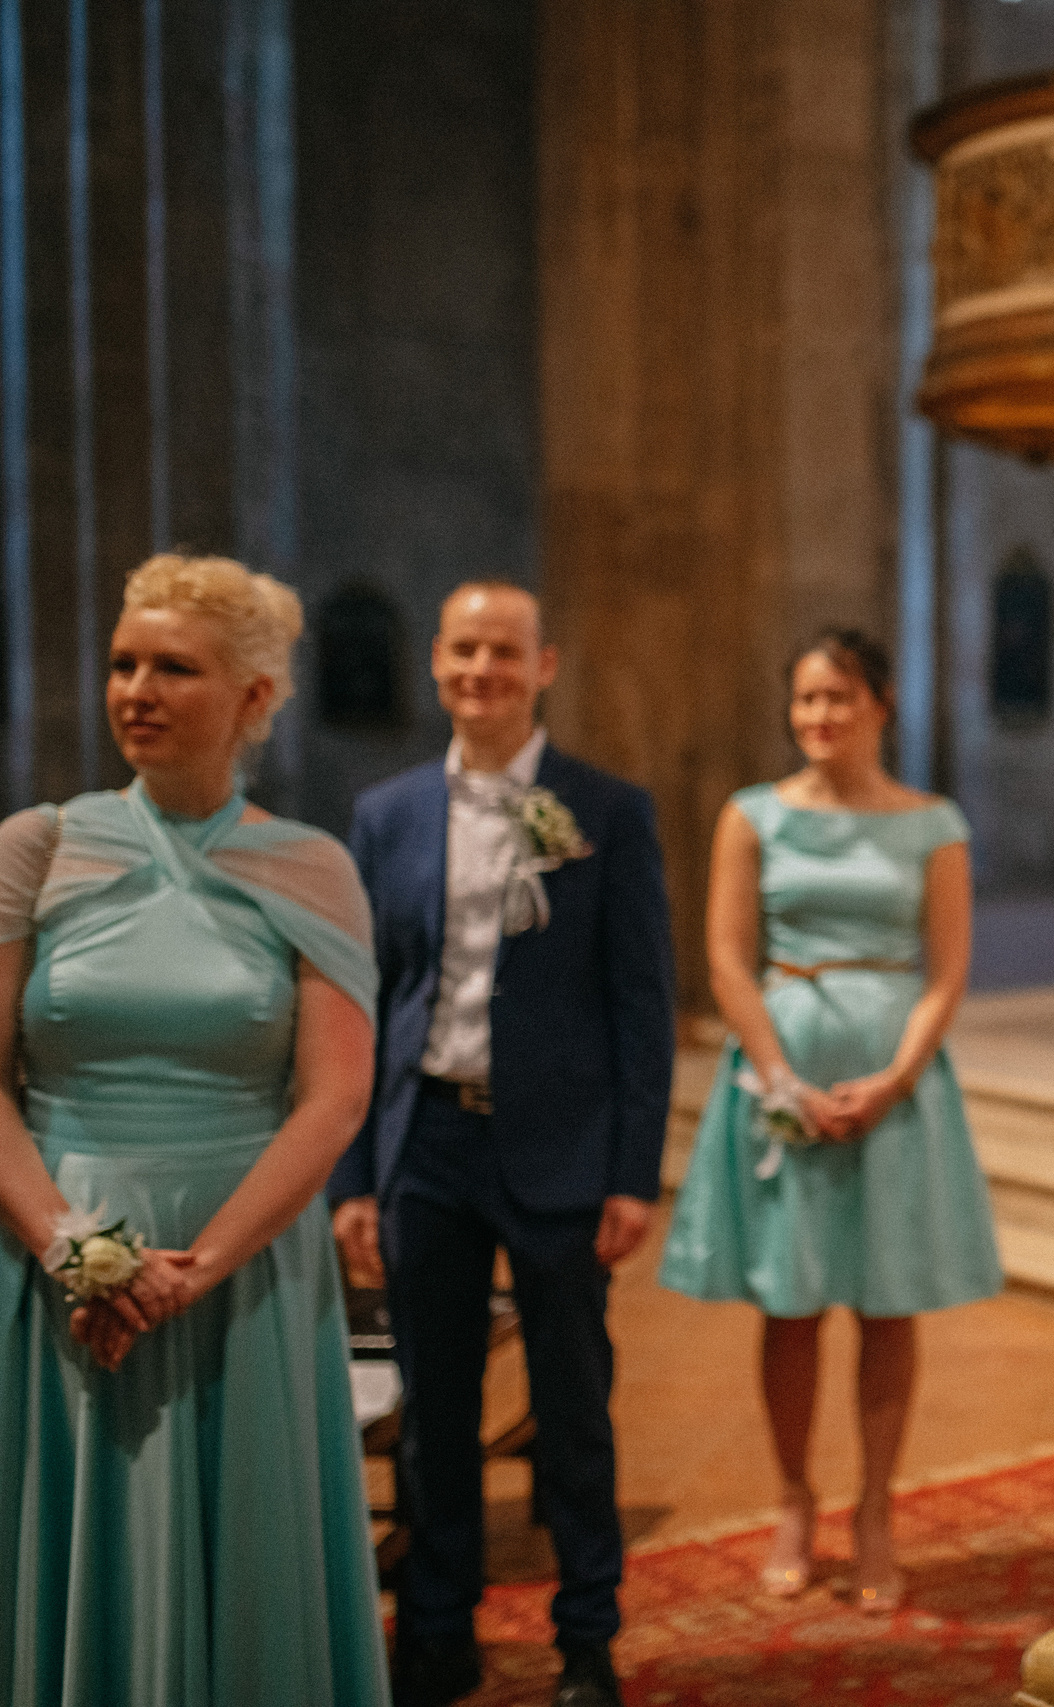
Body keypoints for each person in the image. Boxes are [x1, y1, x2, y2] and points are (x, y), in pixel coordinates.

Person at [0, 553, 388, 1703]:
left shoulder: (312, 870)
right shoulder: (37, 847)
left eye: (175, 667)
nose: (137, 689)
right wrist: (70, 1247)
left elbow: (335, 1098)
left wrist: (194, 1270)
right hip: (51, 1250)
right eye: (124, 664)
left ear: (255, 699)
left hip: (245, 1266)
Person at [328, 582, 676, 1707]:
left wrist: (632, 1171)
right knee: (435, 1409)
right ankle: (436, 1629)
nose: (482, 669)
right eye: (464, 649)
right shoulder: (382, 817)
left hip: (563, 1151)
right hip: (424, 1140)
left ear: (546, 665)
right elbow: (367, 998)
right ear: (436, 662)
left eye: (505, 651)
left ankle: (585, 1638)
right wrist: (354, 1177)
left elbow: (642, 1003)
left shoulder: (605, 810)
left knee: (573, 1406)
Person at [658, 628, 1001, 1609]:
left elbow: (947, 969)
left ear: (881, 705)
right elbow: (727, 958)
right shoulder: (751, 815)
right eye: (804, 700)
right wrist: (778, 1078)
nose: (818, 718)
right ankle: (795, 1498)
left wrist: (896, 1076)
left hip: (894, 1081)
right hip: (783, 1074)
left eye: (838, 699)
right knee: (791, 1298)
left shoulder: (933, 822)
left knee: (886, 1298)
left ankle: (879, 1508)